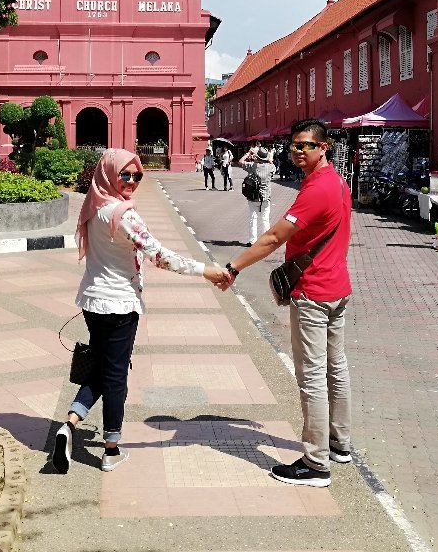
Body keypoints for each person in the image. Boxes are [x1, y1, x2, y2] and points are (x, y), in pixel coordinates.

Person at [52, 149, 231, 475]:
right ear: (110, 174)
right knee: (116, 374)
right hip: (120, 305)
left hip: (93, 302)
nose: (132, 181)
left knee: (104, 367)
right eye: (125, 175)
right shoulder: (124, 215)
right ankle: (111, 448)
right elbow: (159, 256)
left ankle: (69, 424)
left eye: (137, 175)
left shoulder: (94, 207)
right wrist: (206, 270)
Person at [221, 119, 352, 488]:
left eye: (307, 145)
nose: (298, 151)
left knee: (312, 376)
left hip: (313, 293)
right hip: (337, 288)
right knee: (335, 368)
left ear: (323, 148)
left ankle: (315, 464)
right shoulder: (337, 182)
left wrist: (233, 267)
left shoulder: (318, 188)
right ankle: (339, 444)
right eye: (294, 144)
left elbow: (275, 236)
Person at [238, 146, 275, 246]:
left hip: (253, 196)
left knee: (253, 217)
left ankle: (252, 240)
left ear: (257, 157)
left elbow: (240, 162)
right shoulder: (271, 167)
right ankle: (265, 241)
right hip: (265, 197)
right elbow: (272, 166)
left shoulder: (253, 166)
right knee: (265, 219)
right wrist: (269, 160)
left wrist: (248, 153)